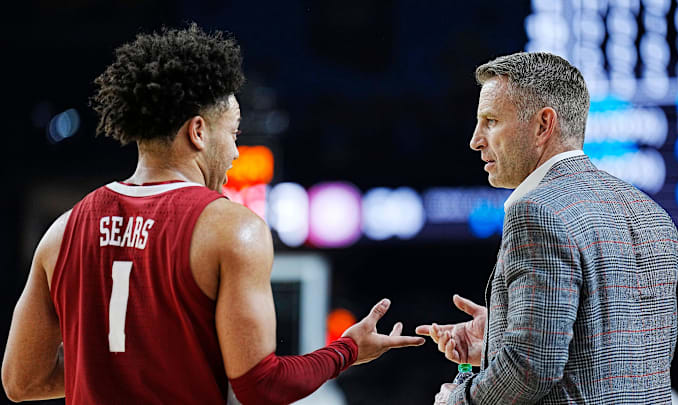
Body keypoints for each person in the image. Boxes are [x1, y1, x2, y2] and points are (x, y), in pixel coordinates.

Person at [1, 24, 424, 404]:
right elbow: (263, 387)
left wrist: (115, 372)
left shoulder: (63, 230)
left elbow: (21, 382)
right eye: (234, 132)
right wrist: (348, 350)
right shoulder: (232, 228)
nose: (238, 151)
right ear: (199, 131)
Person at [417, 52, 678, 404]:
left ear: (543, 125)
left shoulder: (537, 211)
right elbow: (614, 355)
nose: (476, 140)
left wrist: (457, 400)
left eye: (491, 121)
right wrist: (502, 335)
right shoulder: (651, 212)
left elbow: (530, 369)